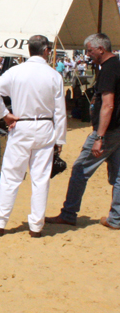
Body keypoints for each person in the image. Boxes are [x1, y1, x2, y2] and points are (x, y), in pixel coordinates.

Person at [0, 35, 66, 238]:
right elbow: (60, 111)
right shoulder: (54, 75)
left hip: (21, 125)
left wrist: (4, 115)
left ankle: (0, 223)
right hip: (45, 126)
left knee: (11, 175)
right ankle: (36, 226)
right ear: (46, 50)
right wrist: (60, 139)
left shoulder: (16, 72)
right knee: (41, 178)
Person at [47, 33, 120, 230]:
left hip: (109, 130)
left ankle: (69, 213)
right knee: (119, 175)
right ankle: (116, 218)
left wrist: (99, 136)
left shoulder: (109, 69)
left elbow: (108, 105)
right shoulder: (116, 65)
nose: (88, 54)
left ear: (101, 49)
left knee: (80, 169)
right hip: (117, 130)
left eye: (90, 50)